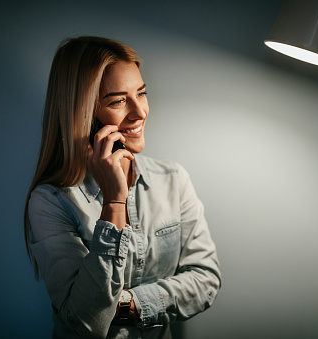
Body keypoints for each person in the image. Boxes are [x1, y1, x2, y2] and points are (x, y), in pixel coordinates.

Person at [24, 36, 221, 339]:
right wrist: (114, 203)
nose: (140, 112)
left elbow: (206, 280)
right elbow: (88, 324)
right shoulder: (51, 201)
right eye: (117, 101)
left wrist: (128, 305)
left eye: (141, 93)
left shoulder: (173, 179)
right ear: (84, 116)